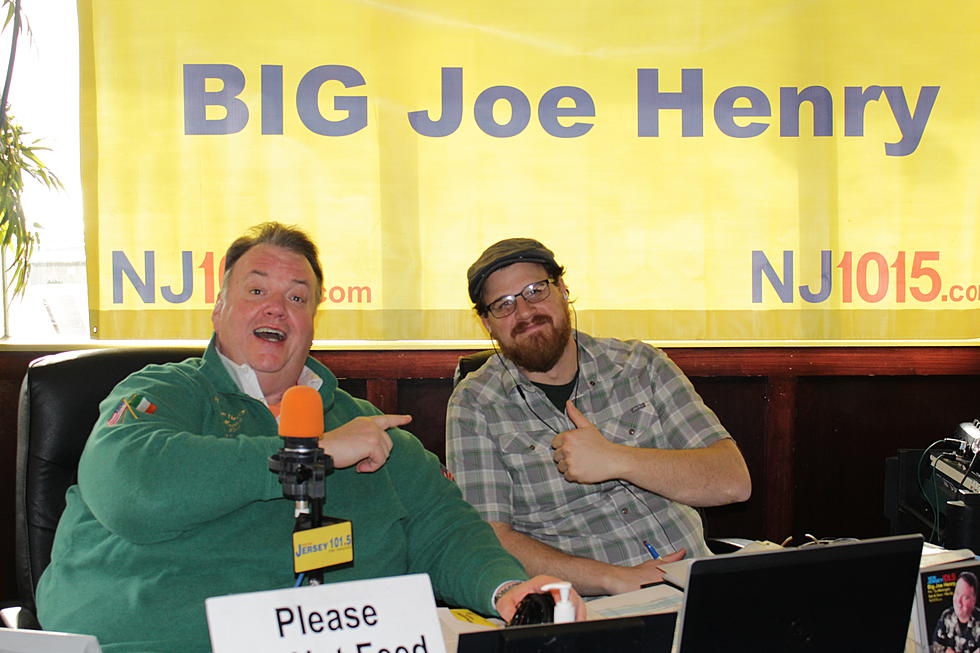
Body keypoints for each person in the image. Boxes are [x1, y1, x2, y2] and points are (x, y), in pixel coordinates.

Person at [35, 223, 583, 652]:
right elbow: (132, 488)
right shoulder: (166, 393)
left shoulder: (365, 427)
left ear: (314, 321)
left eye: (298, 298)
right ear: (218, 308)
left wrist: (507, 590)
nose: (277, 307)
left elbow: (444, 529)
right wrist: (308, 455)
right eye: (255, 290)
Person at [446, 238, 752, 596]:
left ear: (562, 288)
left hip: (693, 583)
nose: (525, 312)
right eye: (503, 304)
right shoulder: (475, 404)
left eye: (535, 290)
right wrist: (610, 577)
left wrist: (616, 459)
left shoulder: (641, 365)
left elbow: (733, 482)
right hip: (585, 603)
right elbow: (490, 538)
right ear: (487, 323)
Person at [931, 571, 980, 653]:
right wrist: (946, 651)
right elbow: (936, 644)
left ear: (973, 600)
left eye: (965, 597)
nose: (958, 602)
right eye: (957, 594)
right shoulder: (946, 616)